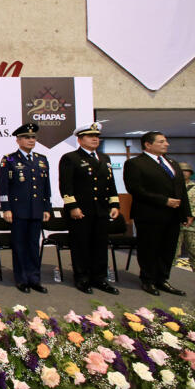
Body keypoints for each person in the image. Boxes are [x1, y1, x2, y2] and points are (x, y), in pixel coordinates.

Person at [124, 132, 193, 296]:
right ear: (148, 145)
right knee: (149, 248)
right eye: (161, 142)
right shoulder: (135, 163)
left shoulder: (172, 163)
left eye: (166, 141)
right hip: (149, 214)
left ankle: (162, 279)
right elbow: (135, 189)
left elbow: (181, 190)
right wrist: (164, 201)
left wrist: (186, 213)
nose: (166, 144)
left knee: (168, 249)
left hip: (173, 215)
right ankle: (148, 280)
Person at [58, 122, 120, 295]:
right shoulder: (71, 158)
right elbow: (66, 186)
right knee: (81, 245)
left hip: (101, 209)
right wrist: (72, 206)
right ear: (80, 139)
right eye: (91, 136)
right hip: (81, 210)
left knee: (100, 245)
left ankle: (99, 278)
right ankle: (82, 278)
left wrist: (114, 204)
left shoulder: (104, 158)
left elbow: (110, 184)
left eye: (97, 136)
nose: (95, 139)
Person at [0, 123, 52, 294]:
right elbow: (3, 186)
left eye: (33, 137)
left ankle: (34, 279)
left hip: (36, 210)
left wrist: (47, 207)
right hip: (18, 210)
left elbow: (46, 187)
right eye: (27, 137)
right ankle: (22, 279)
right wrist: (6, 208)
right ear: (18, 140)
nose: (31, 140)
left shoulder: (41, 159)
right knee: (20, 245)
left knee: (34, 245)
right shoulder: (10, 159)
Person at [179, 162, 195, 272]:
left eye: (186, 171)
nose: (184, 173)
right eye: (181, 171)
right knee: (170, 256)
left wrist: (193, 216)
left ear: (190, 173)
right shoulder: (170, 189)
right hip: (176, 226)